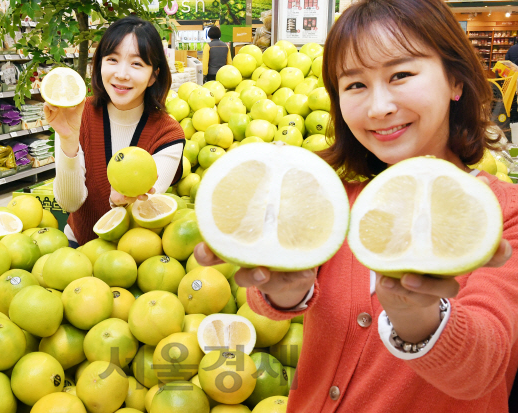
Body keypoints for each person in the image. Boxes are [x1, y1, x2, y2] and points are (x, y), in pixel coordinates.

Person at [195, 0, 518, 411]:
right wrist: (285, 291)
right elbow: (278, 298)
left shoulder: (505, 214)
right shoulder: (336, 199)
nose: (378, 107)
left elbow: (483, 369)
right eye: (355, 85)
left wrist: (418, 317)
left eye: (400, 74)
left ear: (455, 81)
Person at [47, 16, 185, 248]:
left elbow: (142, 211)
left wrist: (119, 201)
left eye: (137, 64)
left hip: (134, 256)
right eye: (112, 59)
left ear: (154, 76)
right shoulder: (76, 115)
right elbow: (69, 204)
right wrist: (68, 138)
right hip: (77, 248)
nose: (121, 74)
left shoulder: (167, 134)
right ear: (100, 64)